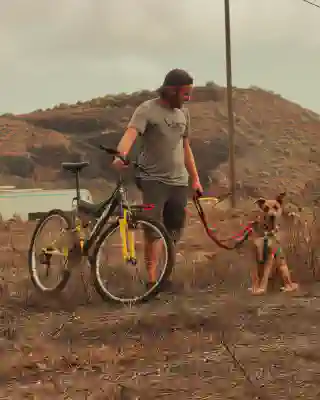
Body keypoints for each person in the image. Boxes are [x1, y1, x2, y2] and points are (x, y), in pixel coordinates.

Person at [113, 68, 203, 287]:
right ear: (171, 91)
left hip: (178, 181)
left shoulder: (184, 114)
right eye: (185, 93)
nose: (188, 98)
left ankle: (166, 277)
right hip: (152, 179)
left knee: (173, 229)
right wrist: (120, 155)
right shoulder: (147, 110)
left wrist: (195, 178)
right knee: (153, 229)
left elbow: (185, 147)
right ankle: (152, 279)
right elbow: (130, 134)